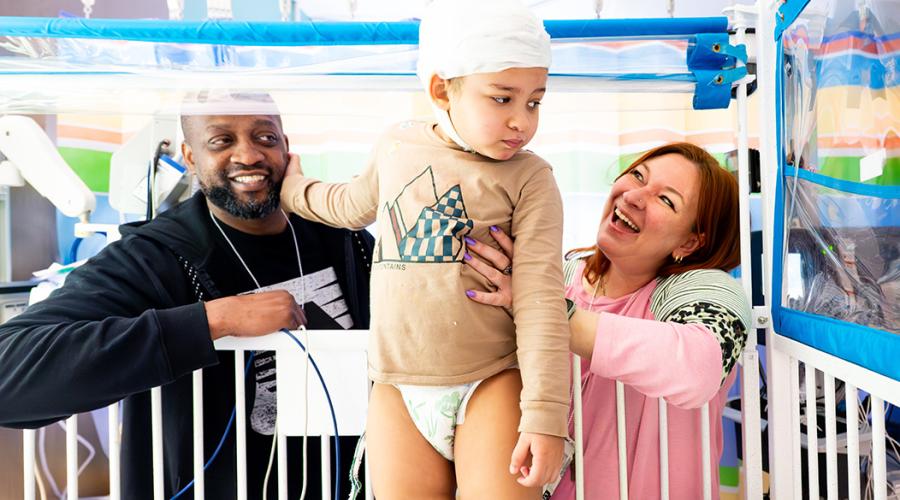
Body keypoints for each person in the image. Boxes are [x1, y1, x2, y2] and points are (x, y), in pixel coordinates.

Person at [0, 91, 373, 499]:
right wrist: (214, 321)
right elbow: (9, 375)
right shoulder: (152, 258)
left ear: (287, 148)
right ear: (191, 157)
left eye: (265, 137)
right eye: (221, 141)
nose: (248, 155)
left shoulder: (344, 237)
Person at [280, 0, 570, 497]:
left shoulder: (531, 178)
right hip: (398, 384)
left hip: (490, 378)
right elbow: (350, 205)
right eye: (502, 99)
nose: (522, 120)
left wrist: (545, 417)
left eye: (535, 101)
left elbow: (541, 301)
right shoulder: (398, 145)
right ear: (441, 89)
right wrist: (292, 187)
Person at [465, 142, 752, 499]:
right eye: (637, 176)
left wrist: (542, 311)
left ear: (691, 243)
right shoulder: (559, 275)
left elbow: (698, 368)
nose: (634, 196)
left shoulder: (702, 289)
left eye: (667, 200)